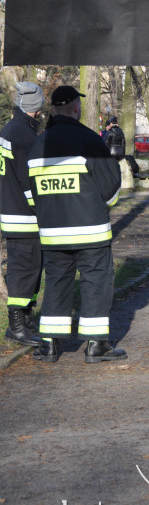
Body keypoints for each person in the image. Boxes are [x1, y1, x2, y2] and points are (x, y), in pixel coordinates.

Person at [27, 85, 126, 363]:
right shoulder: (88, 140)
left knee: (57, 282)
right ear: (75, 107)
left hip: (52, 232)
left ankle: (48, 344)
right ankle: (96, 345)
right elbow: (111, 189)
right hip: (90, 231)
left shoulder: (39, 144)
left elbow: (30, 193)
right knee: (96, 281)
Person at [0, 82, 45, 347]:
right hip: (25, 217)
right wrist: (42, 209)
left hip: (11, 212)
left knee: (28, 269)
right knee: (24, 270)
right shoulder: (25, 136)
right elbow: (30, 182)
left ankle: (25, 321)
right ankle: (17, 326)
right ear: (36, 106)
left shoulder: (9, 130)